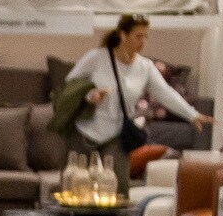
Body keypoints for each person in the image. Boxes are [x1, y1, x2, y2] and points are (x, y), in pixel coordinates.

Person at [60, 15, 202, 171]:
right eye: (138, 36)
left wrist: (192, 115)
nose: (143, 42)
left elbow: (165, 93)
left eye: (145, 37)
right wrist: (90, 94)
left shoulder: (145, 66)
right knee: (77, 183)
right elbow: (70, 85)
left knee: (118, 184)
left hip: (117, 136)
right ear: (123, 35)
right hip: (85, 133)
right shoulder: (97, 57)